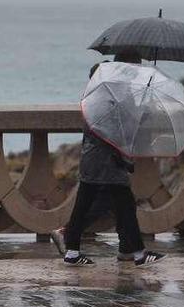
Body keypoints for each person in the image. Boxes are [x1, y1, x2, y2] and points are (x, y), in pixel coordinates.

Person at [60, 50, 166, 268]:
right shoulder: (106, 100)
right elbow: (115, 129)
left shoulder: (95, 97)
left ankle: (73, 250)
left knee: (89, 204)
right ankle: (137, 253)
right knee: (123, 206)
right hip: (107, 162)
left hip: (95, 160)